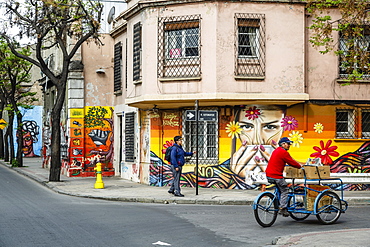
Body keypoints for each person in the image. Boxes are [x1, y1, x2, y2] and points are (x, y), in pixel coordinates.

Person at [265, 137, 302, 217]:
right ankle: (283, 208)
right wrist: (300, 167)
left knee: (280, 188)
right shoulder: (283, 152)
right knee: (285, 190)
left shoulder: (276, 150)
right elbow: (291, 162)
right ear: (283, 144)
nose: (289, 145)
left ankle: (279, 202)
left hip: (269, 175)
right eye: (288, 144)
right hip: (276, 176)